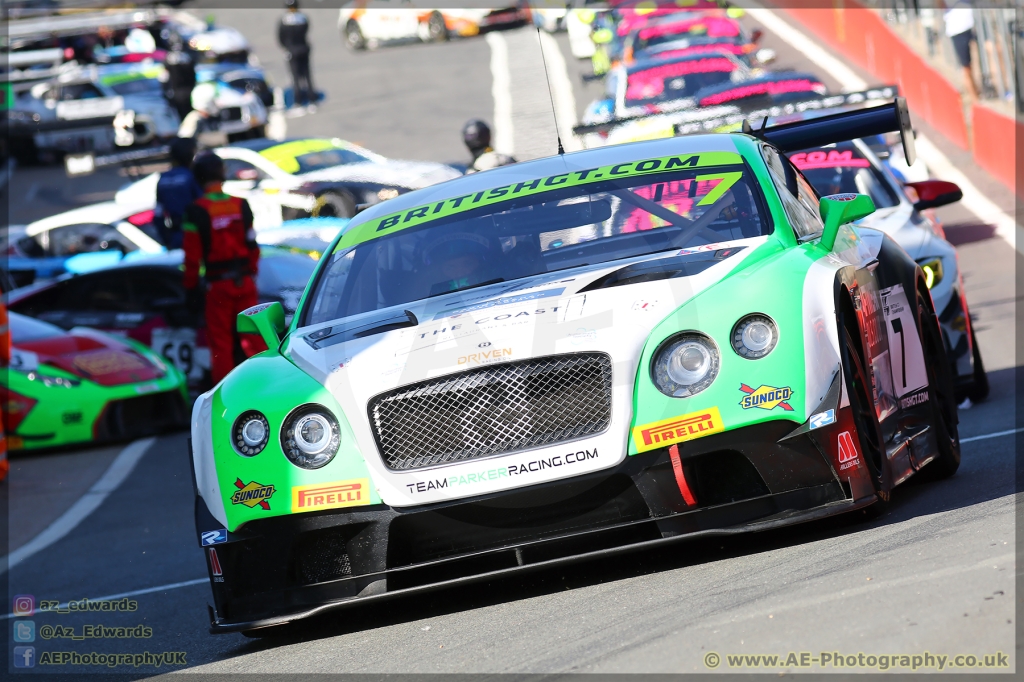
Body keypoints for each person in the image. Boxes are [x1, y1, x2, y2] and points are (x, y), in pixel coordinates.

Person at [182, 153, 263, 384]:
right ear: (222, 174)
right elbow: (253, 245)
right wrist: (252, 274)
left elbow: (192, 258)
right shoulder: (240, 204)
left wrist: (190, 289)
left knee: (221, 346)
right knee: (255, 340)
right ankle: (267, 385)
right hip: (245, 283)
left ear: (198, 178)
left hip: (218, 287)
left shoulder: (195, 211)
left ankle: (226, 399)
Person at [155, 137, 202, 249]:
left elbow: (158, 215)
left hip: (176, 236)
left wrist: (167, 239)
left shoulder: (163, 179)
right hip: (197, 235)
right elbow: (202, 205)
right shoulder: (192, 176)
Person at [278, 0, 315, 108]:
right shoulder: (303, 18)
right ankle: (311, 98)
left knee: (296, 77)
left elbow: (281, 37)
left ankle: (299, 101)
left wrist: (286, 47)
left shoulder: (284, 20)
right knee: (306, 75)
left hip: (292, 50)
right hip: (303, 48)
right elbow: (307, 30)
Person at [943, 1, 979, 100]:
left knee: (983, 55)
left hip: (973, 22)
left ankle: (979, 91)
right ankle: (975, 99)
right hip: (957, 29)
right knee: (966, 67)